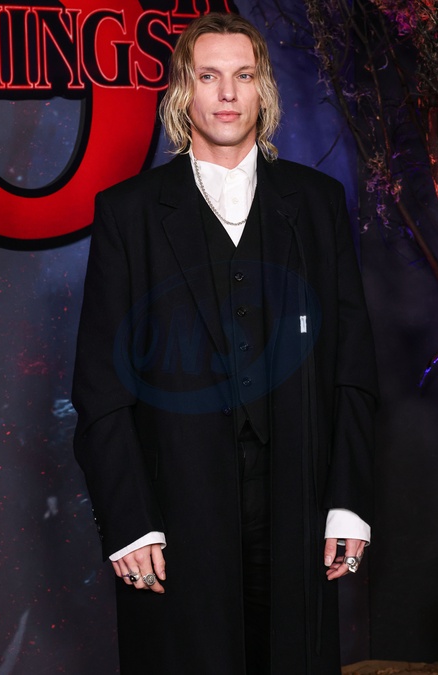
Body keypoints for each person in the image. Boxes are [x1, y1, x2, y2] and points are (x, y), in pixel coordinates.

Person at [72, 12, 378, 675]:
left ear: (263, 88)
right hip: (174, 509)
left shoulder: (318, 202)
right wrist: (129, 519)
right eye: (209, 76)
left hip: (297, 504)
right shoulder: (129, 211)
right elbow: (100, 385)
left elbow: (352, 365)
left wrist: (348, 501)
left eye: (243, 75)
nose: (228, 94)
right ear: (183, 90)